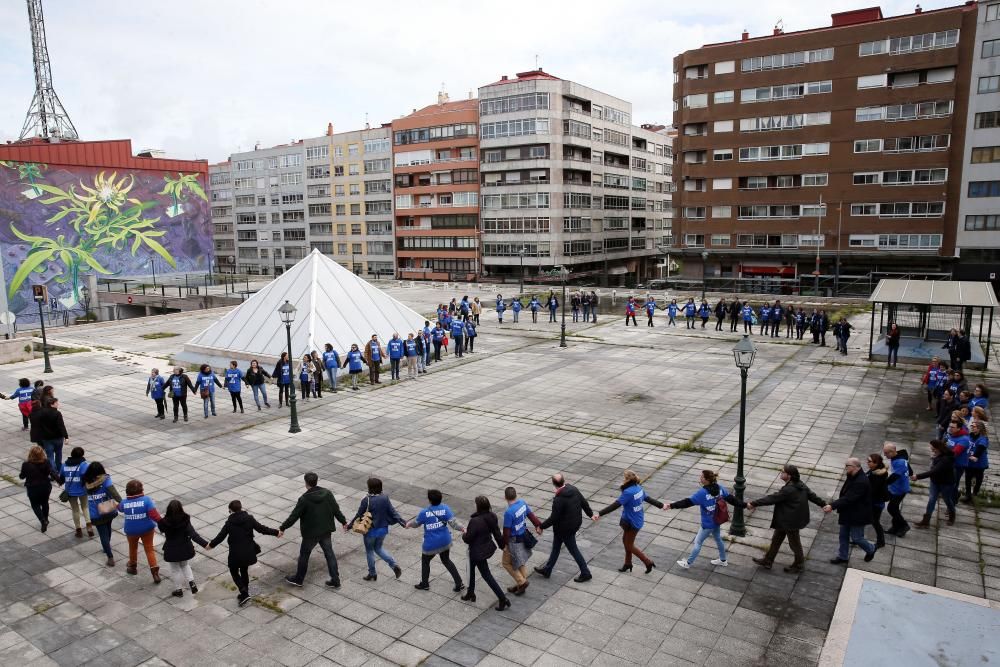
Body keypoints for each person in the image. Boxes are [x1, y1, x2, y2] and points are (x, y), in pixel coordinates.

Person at [746, 464, 825, 573]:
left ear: (789, 476)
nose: (781, 472)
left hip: (790, 521)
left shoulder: (789, 489)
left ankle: (799, 565)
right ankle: (768, 560)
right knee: (776, 540)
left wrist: (753, 503)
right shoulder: (800, 484)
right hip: (788, 519)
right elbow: (812, 495)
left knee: (795, 544)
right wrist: (823, 504)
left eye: (783, 471)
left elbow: (772, 498)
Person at [280, 472, 347, 589]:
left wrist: (282, 528)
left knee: (304, 555)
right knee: (329, 554)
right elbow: (336, 510)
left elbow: (293, 516)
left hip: (310, 533)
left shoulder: (304, 499)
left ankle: (299, 579)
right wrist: (344, 522)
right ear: (316, 481)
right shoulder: (327, 493)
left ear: (306, 483)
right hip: (326, 530)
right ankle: (335, 580)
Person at [208, 500, 280, 606]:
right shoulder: (249, 519)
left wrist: (210, 545)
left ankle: (244, 592)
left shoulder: (229, 523)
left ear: (231, 511)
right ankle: (244, 592)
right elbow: (262, 529)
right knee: (244, 570)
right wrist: (276, 532)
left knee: (233, 570)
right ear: (241, 508)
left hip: (236, 553)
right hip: (248, 552)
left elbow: (220, 537)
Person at [666, 469, 738, 569]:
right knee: (718, 539)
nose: (700, 478)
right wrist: (745, 505)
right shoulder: (720, 488)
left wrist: (671, 505)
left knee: (698, 542)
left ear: (707, 480)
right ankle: (723, 560)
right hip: (717, 520)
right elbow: (732, 499)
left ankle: (688, 563)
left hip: (708, 523)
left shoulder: (703, 493)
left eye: (702, 477)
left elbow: (687, 502)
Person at [596, 470, 664, 573]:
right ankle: (628, 564)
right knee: (626, 541)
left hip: (632, 522)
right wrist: (661, 505)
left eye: (624, 478)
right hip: (636, 519)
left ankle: (647, 562)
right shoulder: (639, 488)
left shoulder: (628, 492)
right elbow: (649, 499)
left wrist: (600, 513)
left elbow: (616, 504)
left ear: (627, 479)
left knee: (629, 545)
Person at [534, 473, 595, 582]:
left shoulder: (559, 499)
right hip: (573, 524)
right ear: (564, 480)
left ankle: (586, 572)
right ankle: (547, 569)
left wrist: (541, 526)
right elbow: (584, 502)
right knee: (556, 547)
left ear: (553, 484)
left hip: (565, 529)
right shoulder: (573, 489)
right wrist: (591, 514)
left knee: (573, 550)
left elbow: (554, 518)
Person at [347, 477, 404, 581]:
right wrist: (401, 521)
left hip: (370, 531)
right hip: (383, 530)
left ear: (370, 488)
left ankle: (372, 573)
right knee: (378, 548)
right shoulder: (385, 497)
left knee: (369, 551)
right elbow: (392, 511)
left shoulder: (366, 500)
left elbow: (359, 514)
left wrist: (350, 525)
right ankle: (393, 564)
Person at [407, 489, 465, 592]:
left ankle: (425, 584)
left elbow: (416, 523)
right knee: (446, 560)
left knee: (425, 561)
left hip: (431, 544)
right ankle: (459, 582)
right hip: (445, 541)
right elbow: (454, 523)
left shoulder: (424, 512)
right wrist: (463, 528)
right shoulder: (445, 508)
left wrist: (409, 524)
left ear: (429, 500)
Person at [823, 457, 877, 564]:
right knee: (843, 535)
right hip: (848, 512)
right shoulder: (853, 475)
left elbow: (849, 498)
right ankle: (843, 557)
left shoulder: (861, 481)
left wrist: (832, 506)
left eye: (847, 466)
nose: (845, 468)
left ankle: (871, 548)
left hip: (858, 515)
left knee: (857, 538)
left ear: (854, 467)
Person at [462, 496, 510, 611]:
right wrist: (502, 546)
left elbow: (468, 538)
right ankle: (470, 592)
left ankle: (503, 598)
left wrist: (464, 534)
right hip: (484, 547)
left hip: (477, 551)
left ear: (478, 507)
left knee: (486, 575)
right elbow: (497, 533)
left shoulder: (474, 521)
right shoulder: (492, 516)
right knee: (471, 569)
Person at [157, 500, 208, 598]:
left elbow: (161, 529)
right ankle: (192, 583)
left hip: (171, 548)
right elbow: (193, 535)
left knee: (175, 570)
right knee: (185, 565)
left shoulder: (164, 522)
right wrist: (205, 544)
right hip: (184, 547)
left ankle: (178, 589)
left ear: (168, 510)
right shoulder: (185, 519)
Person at [501, 486, 541, 595]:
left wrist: (505, 545)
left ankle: (522, 582)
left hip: (513, 541)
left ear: (505, 497)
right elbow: (531, 515)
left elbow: (506, 531)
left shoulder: (509, 512)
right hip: (523, 536)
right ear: (516, 495)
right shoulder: (522, 503)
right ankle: (521, 584)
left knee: (506, 563)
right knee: (520, 561)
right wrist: (538, 525)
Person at [121, 480, 163, 583]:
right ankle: (155, 573)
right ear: (141, 490)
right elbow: (154, 515)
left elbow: (119, 508)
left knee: (133, 548)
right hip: (147, 529)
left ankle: (133, 567)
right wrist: (163, 523)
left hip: (131, 531)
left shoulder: (124, 503)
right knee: (149, 550)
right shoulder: (146, 500)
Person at [83, 462, 122, 567]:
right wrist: (122, 503)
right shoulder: (105, 480)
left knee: (103, 533)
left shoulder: (86, 482)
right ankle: (109, 554)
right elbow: (113, 493)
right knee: (108, 528)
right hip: (108, 509)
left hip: (95, 513)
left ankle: (108, 552)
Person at [913, 439, 957, 528]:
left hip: (946, 483)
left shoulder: (946, 459)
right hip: (935, 482)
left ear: (939, 448)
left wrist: (917, 476)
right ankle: (926, 521)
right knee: (932, 499)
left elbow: (934, 471)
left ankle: (952, 515)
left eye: (933, 449)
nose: (932, 450)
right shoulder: (939, 455)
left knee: (947, 499)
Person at [20, 445, 57, 532]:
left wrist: (23, 474)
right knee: (45, 503)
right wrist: (58, 479)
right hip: (45, 486)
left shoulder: (26, 464)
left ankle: (42, 520)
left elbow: (22, 476)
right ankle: (46, 519)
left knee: (35, 505)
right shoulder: (46, 462)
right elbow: (51, 472)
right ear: (42, 454)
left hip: (33, 488)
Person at [59, 446, 92, 538]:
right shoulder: (83, 465)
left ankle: (78, 530)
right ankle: (89, 526)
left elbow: (61, 477)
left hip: (70, 492)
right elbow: (88, 476)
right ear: (82, 455)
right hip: (82, 490)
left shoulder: (64, 465)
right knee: (85, 507)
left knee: (75, 510)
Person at [883, 443, 912, 537]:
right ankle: (895, 527)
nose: (885, 455)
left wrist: (883, 483)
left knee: (891, 508)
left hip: (899, 489)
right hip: (896, 487)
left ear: (892, 452)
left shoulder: (899, 462)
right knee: (894, 508)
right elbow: (910, 471)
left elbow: (895, 476)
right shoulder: (900, 458)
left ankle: (904, 525)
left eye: (886, 453)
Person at [34, 397, 68, 473]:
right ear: (52, 404)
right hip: (58, 438)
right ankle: (59, 469)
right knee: (58, 454)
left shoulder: (41, 413)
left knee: (50, 456)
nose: (58, 404)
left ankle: (53, 472)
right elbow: (61, 426)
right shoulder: (57, 413)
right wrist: (66, 436)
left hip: (47, 438)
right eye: (56, 403)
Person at [866, 454, 889, 549]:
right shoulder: (873, 471)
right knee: (866, 519)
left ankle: (881, 541)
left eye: (869, 461)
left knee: (875, 522)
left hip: (876, 503)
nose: (867, 463)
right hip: (874, 502)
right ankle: (858, 538)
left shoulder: (878, 476)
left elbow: (873, 491)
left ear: (876, 463)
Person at [965, 420, 990, 501]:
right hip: (969, 462)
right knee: (967, 478)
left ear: (979, 428)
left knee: (978, 479)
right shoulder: (970, 436)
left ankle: (975, 493)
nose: (972, 427)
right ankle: (968, 495)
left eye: (974, 426)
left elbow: (981, 447)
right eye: (971, 425)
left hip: (979, 463)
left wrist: (975, 456)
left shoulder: (983, 438)